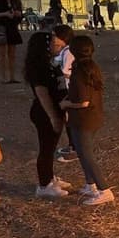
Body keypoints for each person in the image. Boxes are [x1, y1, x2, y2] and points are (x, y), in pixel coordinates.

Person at [59, 36, 113, 205]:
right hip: (93, 117)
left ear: (73, 51)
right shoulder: (91, 67)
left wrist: (65, 103)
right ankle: (91, 185)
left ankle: (104, 190)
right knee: (82, 153)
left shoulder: (80, 71)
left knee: (87, 155)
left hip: (84, 120)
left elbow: (83, 101)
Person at [25, 32, 72, 199]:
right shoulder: (39, 67)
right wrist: (53, 116)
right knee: (46, 148)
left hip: (54, 110)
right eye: (54, 44)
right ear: (46, 46)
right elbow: (42, 93)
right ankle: (44, 185)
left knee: (50, 147)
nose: (58, 46)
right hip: (45, 112)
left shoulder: (48, 63)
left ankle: (50, 178)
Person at [51, 25, 79, 163]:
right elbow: (55, 62)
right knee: (67, 119)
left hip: (69, 89)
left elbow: (66, 72)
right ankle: (72, 146)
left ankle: (74, 149)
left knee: (69, 119)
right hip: (66, 88)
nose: (52, 38)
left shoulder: (69, 52)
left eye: (54, 35)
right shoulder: (64, 50)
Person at [0, 0, 23, 84]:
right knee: (1, 54)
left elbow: (21, 14)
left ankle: (12, 77)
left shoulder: (16, 1)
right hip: (1, 28)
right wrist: (5, 14)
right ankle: (2, 77)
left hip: (12, 28)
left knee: (12, 55)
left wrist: (18, 14)